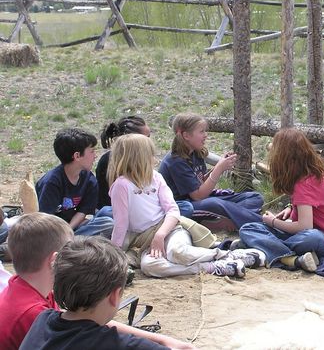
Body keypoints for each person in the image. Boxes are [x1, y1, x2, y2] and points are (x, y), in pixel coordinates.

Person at [0, 213, 192, 350]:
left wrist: (161, 339)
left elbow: (82, 320)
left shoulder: (38, 307)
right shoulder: (31, 314)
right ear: (55, 261)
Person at [109, 133, 265, 278]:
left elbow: (172, 210)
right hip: (144, 241)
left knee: (177, 253)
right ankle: (213, 267)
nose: (153, 158)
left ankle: (226, 254)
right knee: (150, 266)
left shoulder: (155, 177)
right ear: (138, 157)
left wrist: (160, 235)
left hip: (169, 229)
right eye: (149, 154)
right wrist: (115, 256)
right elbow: (121, 224)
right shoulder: (121, 186)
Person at [21, 237, 170, 349]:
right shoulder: (120, 344)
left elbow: (82, 325)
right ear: (114, 296)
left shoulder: (42, 321)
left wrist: (159, 339)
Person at [239, 128, 324, 272]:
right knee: (247, 228)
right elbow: (310, 205)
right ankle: (294, 259)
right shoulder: (310, 174)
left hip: (322, 240)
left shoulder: (304, 184)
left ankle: (267, 249)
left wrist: (273, 222)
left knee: (311, 237)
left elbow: (305, 227)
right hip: (299, 235)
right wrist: (291, 208)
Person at [159, 113, 264, 229]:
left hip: (200, 200)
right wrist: (219, 169)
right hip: (184, 206)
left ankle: (228, 219)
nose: (206, 135)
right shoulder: (176, 161)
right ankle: (260, 221)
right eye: (201, 132)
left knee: (255, 197)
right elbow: (198, 196)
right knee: (216, 203)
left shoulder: (195, 153)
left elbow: (200, 182)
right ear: (186, 135)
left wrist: (219, 166)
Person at [96, 116, 194, 218]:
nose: (149, 141)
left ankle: (156, 221)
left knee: (186, 206)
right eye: (146, 137)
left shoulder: (144, 158)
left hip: (148, 207)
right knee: (105, 212)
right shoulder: (110, 161)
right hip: (123, 210)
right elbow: (109, 202)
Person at [36, 128, 114, 238]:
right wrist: (63, 233)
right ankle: (70, 243)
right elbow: (45, 219)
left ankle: (72, 242)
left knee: (108, 220)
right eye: (91, 151)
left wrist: (69, 229)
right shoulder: (52, 182)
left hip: (73, 227)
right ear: (77, 156)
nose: (95, 156)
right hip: (52, 230)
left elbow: (83, 211)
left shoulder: (89, 179)